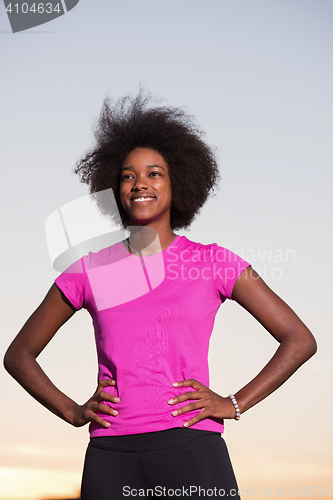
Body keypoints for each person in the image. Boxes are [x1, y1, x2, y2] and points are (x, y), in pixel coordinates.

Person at [4, 90, 317, 500]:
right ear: (115, 188)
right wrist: (72, 410)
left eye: (154, 173)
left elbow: (300, 340)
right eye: (128, 176)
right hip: (110, 455)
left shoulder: (212, 262)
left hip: (193, 449)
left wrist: (234, 403)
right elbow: (18, 354)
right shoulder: (89, 270)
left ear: (178, 182)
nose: (140, 184)